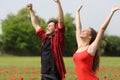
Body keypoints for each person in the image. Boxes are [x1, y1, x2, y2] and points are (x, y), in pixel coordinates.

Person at [73, 4, 120, 80]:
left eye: (85, 31)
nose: (83, 31)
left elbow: (102, 29)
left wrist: (112, 12)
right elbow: (78, 28)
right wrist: (77, 12)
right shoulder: (80, 46)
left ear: (90, 37)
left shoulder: (91, 48)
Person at [27, 0, 66, 80]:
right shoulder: (44, 37)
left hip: (55, 74)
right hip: (44, 73)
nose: (47, 27)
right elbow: (35, 24)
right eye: (47, 26)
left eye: (50, 26)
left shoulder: (58, 38)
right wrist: (31, 11)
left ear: (56, 29)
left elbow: (61, 20)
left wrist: (58, 3)